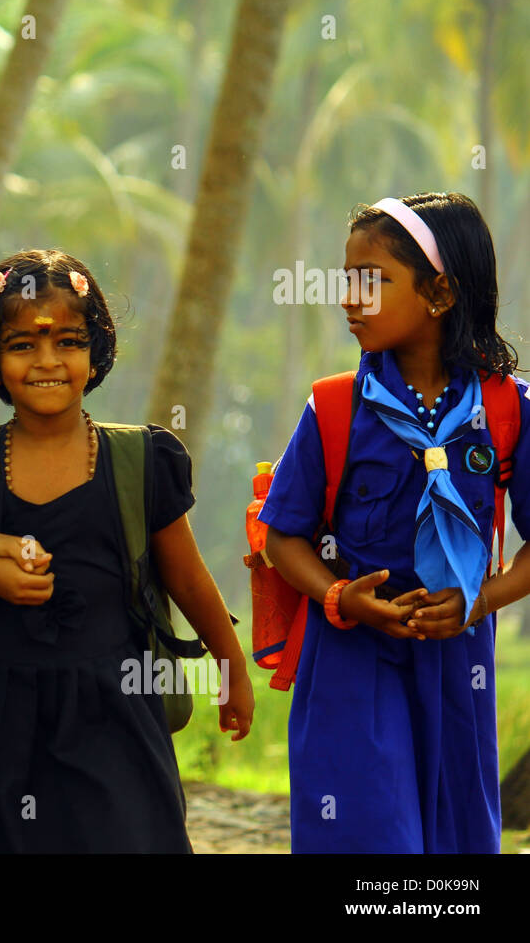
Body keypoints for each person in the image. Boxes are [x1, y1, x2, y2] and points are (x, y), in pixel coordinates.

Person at [0, 249, 253, 852]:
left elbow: (187, 577)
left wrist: (232, 669)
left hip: (117, 707)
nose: (47, 361)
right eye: (23, 344)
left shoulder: (139, 462)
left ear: (95, 349)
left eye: (68, 341)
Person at [261, 192, 530, 853]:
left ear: (440, 293)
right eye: (346, 280)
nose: (350, 297)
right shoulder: (333, 408)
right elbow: (281, 537)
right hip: (350, 653)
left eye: (370, 281)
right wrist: (338, 595)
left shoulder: (508, 411)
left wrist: (478, 603)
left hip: (460, 659)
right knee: (368, 832)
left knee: (454, 837)